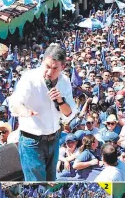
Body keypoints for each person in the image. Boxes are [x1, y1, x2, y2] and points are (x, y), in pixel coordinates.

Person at [9, 44, 77, 181]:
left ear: (62, 67)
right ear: (42, 61)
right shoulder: (30, 78)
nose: (49, 72)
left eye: (55, 68)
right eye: (47, 66)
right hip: (32, 141)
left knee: (51, 182)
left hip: (54, 139)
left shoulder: (64, 81)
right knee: (37, 185)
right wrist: (25, 111)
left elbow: (70, 113)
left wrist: (60, 101)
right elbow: (14, 104)